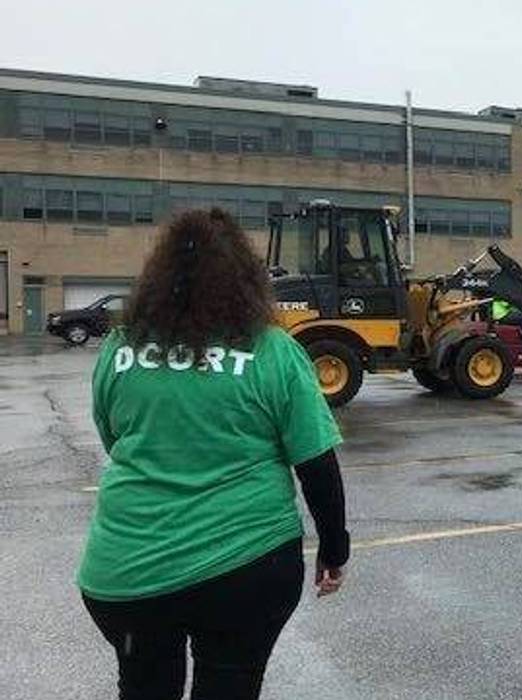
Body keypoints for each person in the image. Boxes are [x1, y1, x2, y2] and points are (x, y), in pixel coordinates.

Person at [78, 209, 349, 700]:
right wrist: (334, 549)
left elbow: (112, 438)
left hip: (129, 570)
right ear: (244, 278)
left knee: (144, 687)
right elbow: (316, 464)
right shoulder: (274, 351)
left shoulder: (120, 348)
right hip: (246, 568)